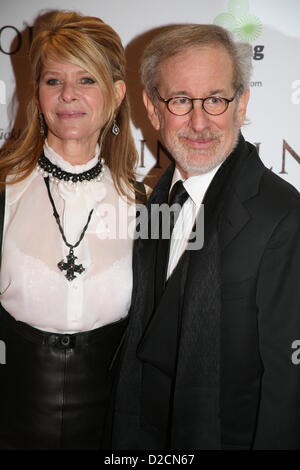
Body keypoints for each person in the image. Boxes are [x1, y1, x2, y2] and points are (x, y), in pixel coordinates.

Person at [110, 24, 300, 450]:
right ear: (153, 108)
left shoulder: (282, 215)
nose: (200, 122)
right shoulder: (153, 202)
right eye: (180, 100)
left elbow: (288, 385)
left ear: (241, 103)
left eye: (215, 99)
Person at [0, 10, 140, 449]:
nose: (68, 96)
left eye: (86, 80)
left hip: (113, 428)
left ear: (116, 94)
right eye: (53, 81)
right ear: (36, 93)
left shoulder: (145, 203)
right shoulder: (5, 190)